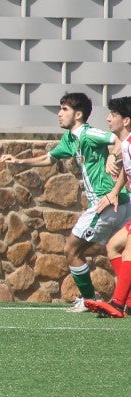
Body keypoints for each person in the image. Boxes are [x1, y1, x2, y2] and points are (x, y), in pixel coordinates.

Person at [1, 91, 129, 311]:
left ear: (78, 114)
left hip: (108, 202)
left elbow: (119, 138)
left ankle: (90, 301)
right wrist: (19, 160)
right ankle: (121, 301)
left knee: (72, 249)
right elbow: (48, 158)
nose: (59, 114)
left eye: (64, 109)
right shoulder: (70, 139)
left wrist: (111, 156)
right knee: (116, 249)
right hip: (114, 202)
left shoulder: (88, 134)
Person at [82, 96, 131, 318]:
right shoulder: (126, 145)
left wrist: (115, 157)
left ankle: (118, 304)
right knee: (114, 246)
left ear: (126, 120)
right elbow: (124, 167)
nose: (108, 118)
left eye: (113, 115)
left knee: (129, 250)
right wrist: (113, 192)